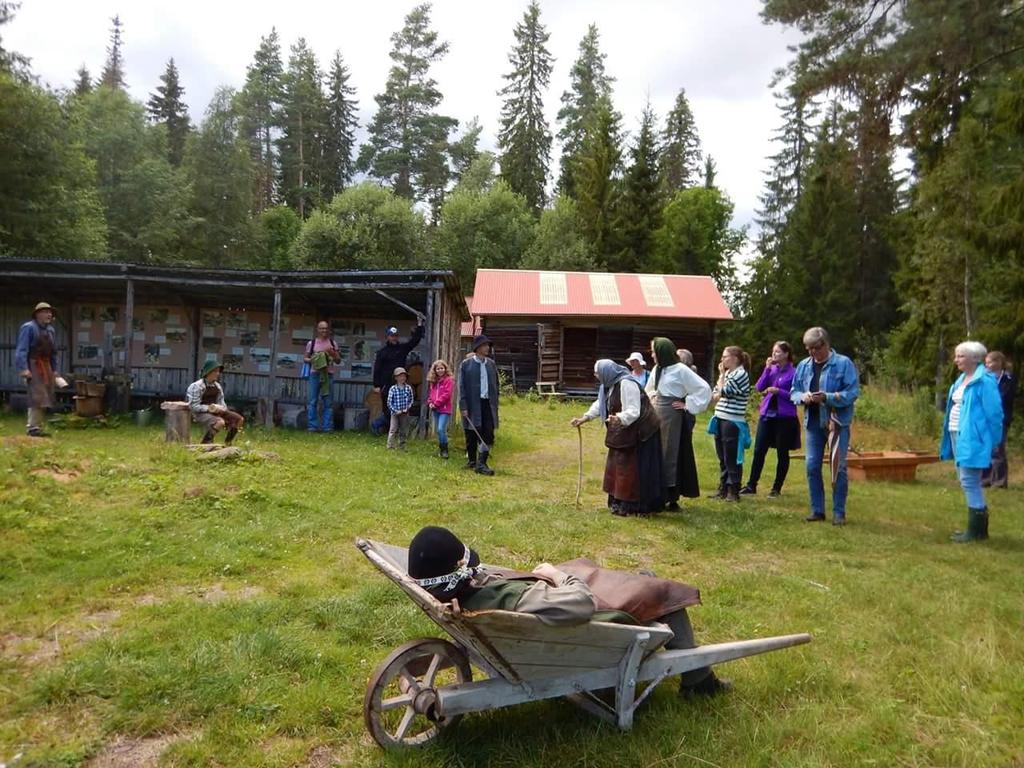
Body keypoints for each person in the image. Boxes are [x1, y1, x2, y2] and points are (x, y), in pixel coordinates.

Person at [407, 526, 731, 698]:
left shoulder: (469, 599)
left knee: (641, 578)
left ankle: (697, 676)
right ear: (461, 571)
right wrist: (557, 575)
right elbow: (582, 603)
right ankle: (698, 681)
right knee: (662, 591)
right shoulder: (513, 602)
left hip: (536, 620)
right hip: (587, 625)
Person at [572, 360, 664, 517]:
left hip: (642, 432)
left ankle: (632, 505)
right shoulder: (608, 385)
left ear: (607, 373)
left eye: (598, 373)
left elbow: (634, 411)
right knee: (618, 466)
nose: (596, 376)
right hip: (624, 430)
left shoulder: (627, 384)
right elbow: (600, 404)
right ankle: (618, 500)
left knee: (631, 469)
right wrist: (584, 418)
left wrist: (619, 418)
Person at [790, 327, 860, 525]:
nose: (812, 352)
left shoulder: (844, 363)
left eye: (816, 347)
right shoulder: (804, 366)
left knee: (838, 468)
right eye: (808, 348)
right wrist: (803, 397)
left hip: (837, 424)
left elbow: (852, 392)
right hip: (812, 423)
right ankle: (817, 510)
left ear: (826, 344)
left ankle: (839, 513)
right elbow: (794, 391)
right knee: (812, 466)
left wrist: (827, 397)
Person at [940, 341, 1004, 542]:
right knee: (965, 479)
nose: (956, 360)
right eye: (956, 355)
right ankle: (977, 528)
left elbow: (994, 413)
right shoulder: (961, 379)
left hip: (973, 437)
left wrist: (993, 440)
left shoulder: (984, 381)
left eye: (961, 356)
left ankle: (976, 530)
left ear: (975, 359)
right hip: (956, 433)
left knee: (969, 480)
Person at [645, 338, 711, 509]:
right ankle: (656, 494)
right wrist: (653, 396)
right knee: (657, 451)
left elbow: (703, 389)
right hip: (657, 414)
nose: (652, 355)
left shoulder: (681, 369)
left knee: (670, 453)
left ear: (662, 351)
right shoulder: (657, 369)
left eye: (654, 351)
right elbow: (649, 388)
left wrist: (687, 403)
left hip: (673, 416)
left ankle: (671, 497)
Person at [741, 342, 800, 497]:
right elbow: (759, 387)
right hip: (767, 415)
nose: (774, 355)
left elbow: (796, 396)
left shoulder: (794, 373)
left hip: (785, 417)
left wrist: (778, 391)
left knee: (782, 452)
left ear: (786, 354)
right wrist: (766, 369)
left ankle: (776, 488)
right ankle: (751, 485)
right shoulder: (771, 370)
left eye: (778, 352)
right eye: (773, 351)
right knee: (759, 450)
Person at [707, 346, 752, 502]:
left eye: (725, 356)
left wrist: (720, 378)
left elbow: (724, 391)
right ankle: (723, 488)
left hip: (732, 420)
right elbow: (715, 394)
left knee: (731, 457)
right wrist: (720, 385)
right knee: (722, 456)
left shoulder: (740, 374)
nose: (722, 360)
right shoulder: (729, 374)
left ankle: (734, 489)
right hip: (720, 417)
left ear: (735, 358)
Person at [15, 301, 66, 438]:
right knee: (36, 396)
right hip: (33, 364)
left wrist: (54, 370)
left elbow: (53, 352)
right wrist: (24, 368)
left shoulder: (50, 330)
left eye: (50, 312)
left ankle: (37, 426)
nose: (49, 314)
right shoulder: (28, 328)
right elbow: (21, 349)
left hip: (46, 365)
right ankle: (32, 427)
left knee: (46, 396)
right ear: (38, 314)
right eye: (45, 312)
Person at [372, 320, 425, 429]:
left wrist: (419, 326)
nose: (394, 338)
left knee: (399, 408)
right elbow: (377, 369)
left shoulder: (402, 349)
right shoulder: (382, 352)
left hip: (400, 384)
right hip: (386, 385)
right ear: (387, 337)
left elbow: (414, 341)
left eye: (396, 336)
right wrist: (376, 385)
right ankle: (377, 424)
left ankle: (392, 430)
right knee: (387, 409)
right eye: (391, 336)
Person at [459, 334, 499, 475]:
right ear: (477, 348)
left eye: (488, 345)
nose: (487, 348)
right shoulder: (466, 365)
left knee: (488, 432)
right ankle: (472, 461)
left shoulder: (491, 364)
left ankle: (481, 463)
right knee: (471, 431)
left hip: (487, 403)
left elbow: (496, 385)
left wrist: (496, 402)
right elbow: (462, 386)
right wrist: (463, 406)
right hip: (472, 403)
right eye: (484, 345)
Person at [186, 359, 245, 444]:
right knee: (220, 422)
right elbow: (193, 406)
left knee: (239, 419)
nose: (217, 374)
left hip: (216, 410)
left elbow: (221, 402)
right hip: (199, 413)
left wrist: (222, 409)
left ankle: (227, 443)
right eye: (215, 371)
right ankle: (205, 443)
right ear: (208, 372)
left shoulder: (217, 386)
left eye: (218, 371)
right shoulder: (197, 386)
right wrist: (209, 408)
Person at [981, 351, 1015, 489]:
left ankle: (999, 482)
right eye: (986, 362)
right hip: (984, 418)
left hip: (1001, 419)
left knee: (997, 450)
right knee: (986, 449)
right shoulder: (984, 377)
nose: (987, 365)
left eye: (990, 362)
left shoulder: (1008, 378)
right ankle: (985, 479)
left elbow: (1005, 396)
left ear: (999, 362)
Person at [303, 321, 341, 433]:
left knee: (328, 403)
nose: (324, 331)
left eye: (326, 328)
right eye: (321, 328)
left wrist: (333, 354)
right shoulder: (312, 343)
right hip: (315, 374)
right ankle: (312, 427)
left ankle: (327, 427)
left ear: (328, 330)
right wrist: (315, 359)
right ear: (317, 329)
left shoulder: (333, 343)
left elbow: (338, 361)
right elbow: (305, 358)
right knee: (312, 401)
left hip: (328, 374)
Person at [427, 359, 454, 459]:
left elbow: (447, 395)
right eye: (438, 369)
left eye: (442, 368)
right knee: (439, 431)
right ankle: (441, 449)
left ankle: (445, 450)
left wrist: (436, 403)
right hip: (435, 409)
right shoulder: (433, 381)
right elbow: (431, 394)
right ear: (435, 370)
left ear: (445, 369)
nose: (440, 370)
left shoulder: (448, 380)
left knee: (441, 429)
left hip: (444, 409)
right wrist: (430, 402)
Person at [386, 367, 414, 450]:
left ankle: (402, 445)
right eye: (400, 376)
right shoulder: (393, 389)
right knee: (393, 429)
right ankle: (390, 446)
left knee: (403, 430)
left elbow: (411, 400)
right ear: (396, 378)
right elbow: (389, 402)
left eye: (404, 376)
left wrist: (407, 408)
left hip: (405, 413)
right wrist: (395, 410)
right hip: (395, 413)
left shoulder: (408, 388)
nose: (402, 378)